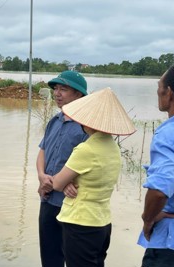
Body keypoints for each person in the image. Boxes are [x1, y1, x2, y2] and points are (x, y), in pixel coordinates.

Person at [52, 87, 136, 267]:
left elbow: (58, 183)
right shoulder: (112, 147)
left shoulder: (86, 149)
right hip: (102, 222)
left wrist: (65, 181)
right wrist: (69, 181)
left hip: (80, 223)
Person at [137, 61, 174, 267]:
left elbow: (159, 190)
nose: (157, 91)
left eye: (159, 86)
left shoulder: (170, 133)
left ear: (169, 93)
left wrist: (148, 219)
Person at [37, 70, 88, 267]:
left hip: (71, 204)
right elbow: (42, 151)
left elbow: (90, 163)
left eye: (63, 89)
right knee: (49, 257)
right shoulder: (54, 121)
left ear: (79, 95)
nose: (57, 93)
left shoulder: (87, 128)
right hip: (48, 199)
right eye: (56, 89)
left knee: (74, 258)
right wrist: (41, 176)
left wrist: (67, 181)